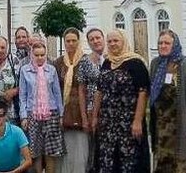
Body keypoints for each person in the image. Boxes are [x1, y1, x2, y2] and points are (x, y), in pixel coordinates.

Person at [91, 29, 150, 173]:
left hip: (128, 121)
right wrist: (94, 116)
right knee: (107, 159)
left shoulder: (136, 63)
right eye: (110, 41)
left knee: (128, 160)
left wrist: (137, 121)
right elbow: (99, 91)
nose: (112, 44)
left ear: (123, 41)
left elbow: (143, 92)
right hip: (107, 122)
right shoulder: (107, 63)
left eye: (116, 41)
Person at [150, 30, 186, 173]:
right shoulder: (156, 65)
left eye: (167, 43)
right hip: (161, 127)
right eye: (160, 43)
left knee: (181, 164)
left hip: (181, 126)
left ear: (175, 45)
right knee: (162, 163)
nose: (163, 46)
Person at [19, 36, 65, 173]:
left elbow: (57, 93)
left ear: (46, 55)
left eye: (42, 55)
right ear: (31, 54)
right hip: (33, 113)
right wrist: (23, 116)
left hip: (51, 113)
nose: (39, 58)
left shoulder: (51, 70)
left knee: (50, 151)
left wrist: (61, 115)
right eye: (36, 55)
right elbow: (23, 95)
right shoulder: (25, 70)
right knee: (36, 151)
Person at [54, 28, 88, 173]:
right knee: (66, 149)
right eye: (68, 41)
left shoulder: (85, 61)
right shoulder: (59, 63)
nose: (71, 43)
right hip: (64, 109)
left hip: (82, 109)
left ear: (78, 41)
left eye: (74, 40)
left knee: (81, 149)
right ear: (64, 42)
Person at [76, 28, 105, 172]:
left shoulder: (113, 58)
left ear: (103, 38)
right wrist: (83, 116)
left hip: (111, 108)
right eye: (92, 39)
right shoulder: (85, 61)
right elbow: (81, 90)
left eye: (98, 37)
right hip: (91, 109)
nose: (95, 41)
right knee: (94, 147)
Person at [0, 36, 19, 123]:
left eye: (3, 47)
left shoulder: (13, 60)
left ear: (7, 48)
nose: (0, 50)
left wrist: (14, 91)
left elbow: (22, 82)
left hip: (12, 110)